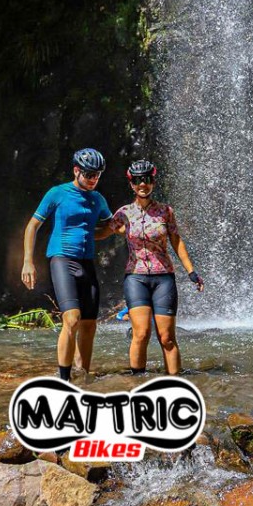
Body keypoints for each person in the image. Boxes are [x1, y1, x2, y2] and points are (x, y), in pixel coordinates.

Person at [98, 159, 203, 375]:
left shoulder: (166, 212)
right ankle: (137, 383)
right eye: (137, 180)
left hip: (163, 278)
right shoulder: (124, 213)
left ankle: (175, 382)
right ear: (132, 184)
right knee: (141, 334)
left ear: (153, 182)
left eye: (146, 179)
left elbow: (177, 241)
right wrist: (74, 232)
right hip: (135, 278)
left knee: (167, 337)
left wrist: (191, 272)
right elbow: (103, 232)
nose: (142, 184)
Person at [21, 148, 111, 381]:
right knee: (72, 319)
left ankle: (83, 377)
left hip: (86, 263)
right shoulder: (57, 193)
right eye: (89, 174)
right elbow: (32, 226)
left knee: (89, 325)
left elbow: (107, 228)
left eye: (97, 175)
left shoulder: (98, 199)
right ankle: (64, 379)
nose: (93, 179)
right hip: (62, 259)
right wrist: (28, 261)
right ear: (76, 170)